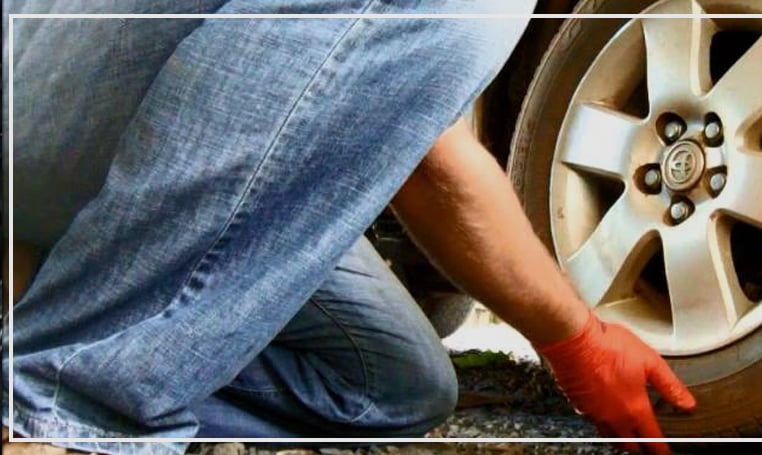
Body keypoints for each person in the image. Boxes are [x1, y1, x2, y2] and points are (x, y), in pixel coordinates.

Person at [1, 1, 697, 454]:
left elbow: (419, 138)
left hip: (172, 116)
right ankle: (62, 406)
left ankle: (36, 297)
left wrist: (578, 341)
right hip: (52, 69)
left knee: (390, 386)